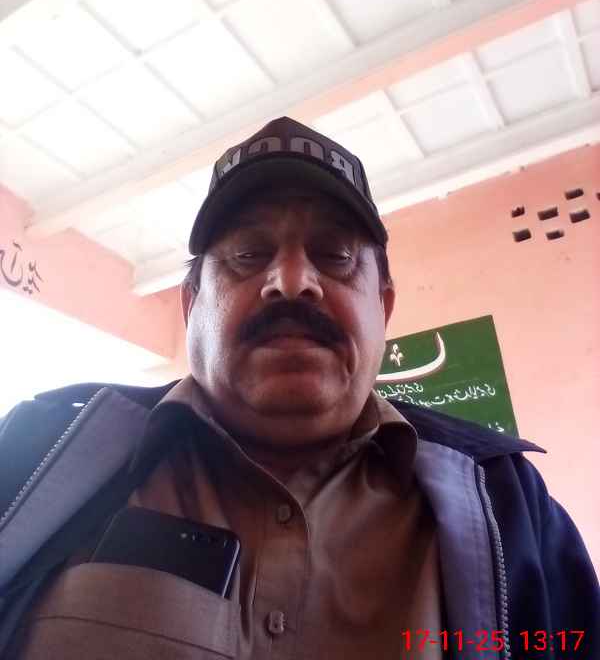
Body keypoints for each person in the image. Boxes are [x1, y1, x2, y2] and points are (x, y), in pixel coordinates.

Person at [0, 117, 598, 659]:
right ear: (190, 305)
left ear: (383, 308)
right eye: (247, 254)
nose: (290, 281)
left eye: (335, 255)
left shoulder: (510, 504)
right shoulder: (39, 454)